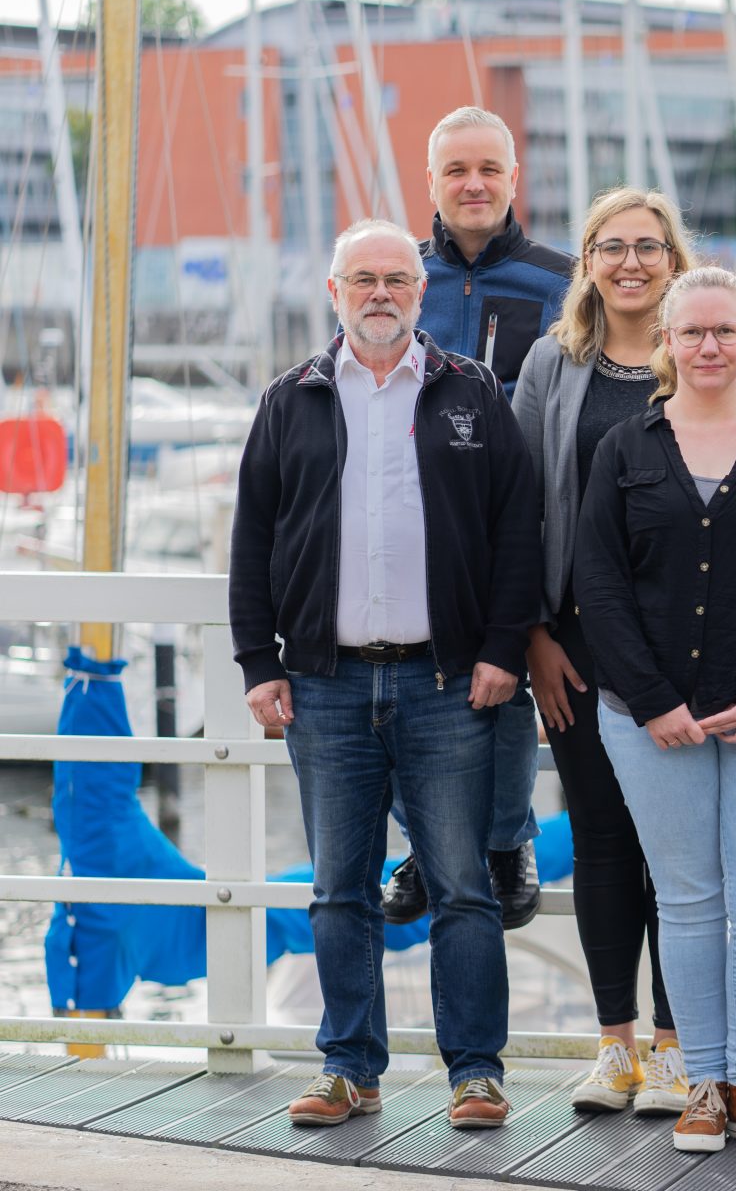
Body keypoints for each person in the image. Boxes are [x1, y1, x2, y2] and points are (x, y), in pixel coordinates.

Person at [228, 218, 539, 1130]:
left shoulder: (470, 394)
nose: (380, 294)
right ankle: (348, 1068)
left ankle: (475, 1073)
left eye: (397, 279)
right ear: (335, 292)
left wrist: (502, 651)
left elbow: (517, 531)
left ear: (419, 291)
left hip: (445, 684)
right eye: (361, 278)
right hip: (322, 684)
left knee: (462, 885)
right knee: (338, 889)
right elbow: (252, 536)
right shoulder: (293, 398)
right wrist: (258, 661)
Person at [574, 266, 736, 1155]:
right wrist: (653, 702)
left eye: (727, 333)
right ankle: (698, 1087)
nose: (710, 348)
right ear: (668, 344)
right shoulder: (626, 448)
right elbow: (598, 585)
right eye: (693, 334)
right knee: (687, 903)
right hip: (650, 719)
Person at [511, 186, 696, 1115]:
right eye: (612, 247)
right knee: (603, 841)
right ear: (586, 261)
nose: (632, 263)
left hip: (683, 646)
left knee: (679, 850)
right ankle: (616, 1044)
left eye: (649, 247)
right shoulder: (555, 365)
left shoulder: (704, 351)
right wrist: (535, 634)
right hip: (576, 644)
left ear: (675, 260)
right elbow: (519, 504)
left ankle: (675, 1048)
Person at [383, 105, 573, 932]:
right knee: (408, 688)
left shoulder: (559, 282)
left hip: (525, 519)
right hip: (415, 527)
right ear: (431, 180)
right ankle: (427, 846)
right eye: (456, 169)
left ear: (512, 179)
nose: (472, 184)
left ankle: (505, 841)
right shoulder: (400, 279)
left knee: (505, 692)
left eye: (488, 169)